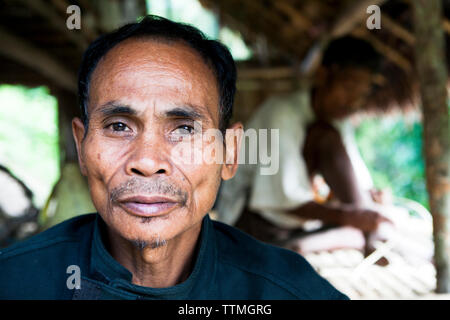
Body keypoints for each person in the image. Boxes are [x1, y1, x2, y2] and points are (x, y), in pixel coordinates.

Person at [0, 16, 347, 300]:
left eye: (183, 129)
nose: (148, 161)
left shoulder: (286, 291)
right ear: (81, 146)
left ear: (229, 153)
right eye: (119, 126)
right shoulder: (15, 282)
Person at [215, 37, 393, 256]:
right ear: (323, 75)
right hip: (249, 222)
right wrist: (351, 215)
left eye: (362, 94)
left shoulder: (339, 119)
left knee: (328, 139)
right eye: (348, 87)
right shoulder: (281, 113)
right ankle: (356, 235)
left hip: (296, 225)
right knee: (324, 137)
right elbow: (283, 199)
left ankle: (329, 240)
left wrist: (368, 199)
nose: (353, 101)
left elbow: (354, 179)